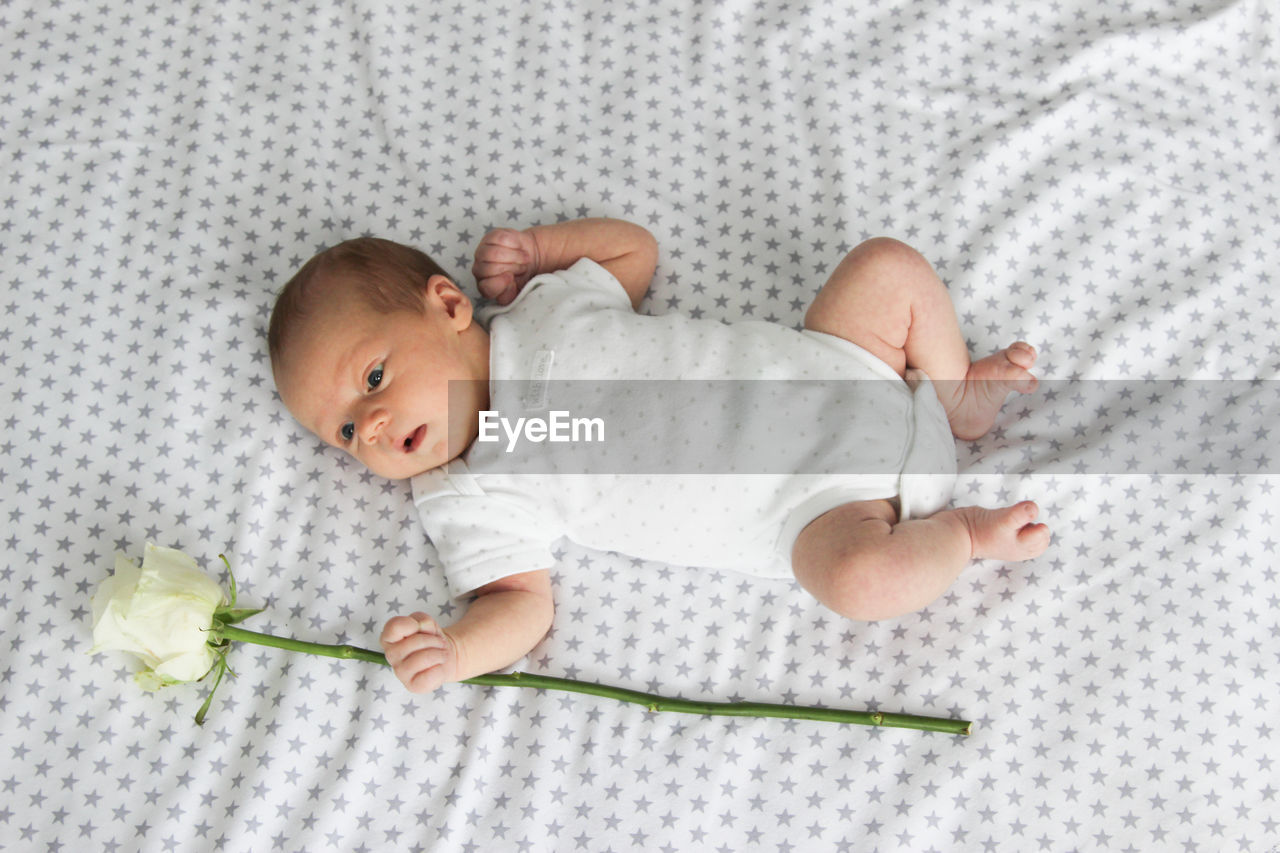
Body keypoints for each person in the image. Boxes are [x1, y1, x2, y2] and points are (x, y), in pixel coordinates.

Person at [268, 217, 1050, 693]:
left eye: (373, 379)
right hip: (824, 509)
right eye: (343, 433)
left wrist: (542, 248)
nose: (370, 427)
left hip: (842, 363)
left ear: (447, 305)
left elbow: (632, 254)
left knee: (887, 268)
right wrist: (458, 648)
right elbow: (520, 604)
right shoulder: (466, 489)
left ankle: (953, 397)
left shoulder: (540, 310)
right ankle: (965, 536)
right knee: (856, 582)